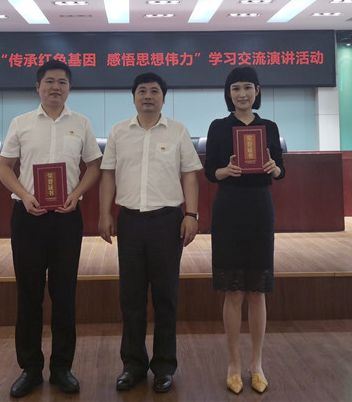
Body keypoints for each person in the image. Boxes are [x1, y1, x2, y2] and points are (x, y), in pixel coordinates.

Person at [0, 59, 102, 398]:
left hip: (67, 218)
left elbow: (94, 166)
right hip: (27, 217)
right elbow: (4, 168)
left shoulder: (81, 123)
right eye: (49, 81)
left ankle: (61, 368)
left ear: (69, 88)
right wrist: (25, 195)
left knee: (64, 294)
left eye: (62, 82)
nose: (56, 87)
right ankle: (30, 369)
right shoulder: (21, 123)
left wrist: (76, 193)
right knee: (28, 294)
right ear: (38, 87)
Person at [98, 72, 202, 394]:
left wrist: (191, 215)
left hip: (167, 222)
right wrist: (104, 213)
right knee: (131, 298)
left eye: (154, 91)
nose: (147, 96)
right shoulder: (119, 131)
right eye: (141, 91)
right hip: (130, 221)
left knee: (166, 297)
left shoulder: (178, 131)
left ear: (163, 98)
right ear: (133, 98)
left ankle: (164, 367)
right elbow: (108, 175)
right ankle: (133, 365)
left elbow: (190, 175)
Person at [204, 66, 285, 395]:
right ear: (229, 93)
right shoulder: (218, 127)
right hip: (228, 209)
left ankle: (257, 364)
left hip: (259, 209)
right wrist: (226, 170)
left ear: (257, 91)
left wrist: (273, 167)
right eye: (235, 88)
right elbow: (210, 171)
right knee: (233, 291)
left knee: (257, 291)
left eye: (247, 87)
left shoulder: (270, 127)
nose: (242, 93)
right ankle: (234, 364)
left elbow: (281, 170)